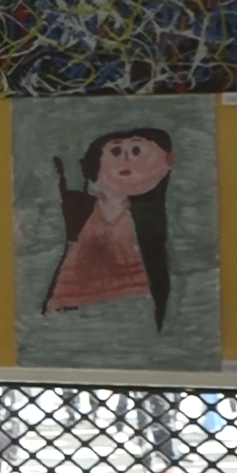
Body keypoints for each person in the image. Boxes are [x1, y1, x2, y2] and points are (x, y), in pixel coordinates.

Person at [44, 127, 175, 330]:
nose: (125, 158)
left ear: (166, 162)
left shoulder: (155, 221)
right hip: (65, 314)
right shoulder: (75, 208)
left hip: (131, 315)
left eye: (136, 151)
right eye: (115, 151)